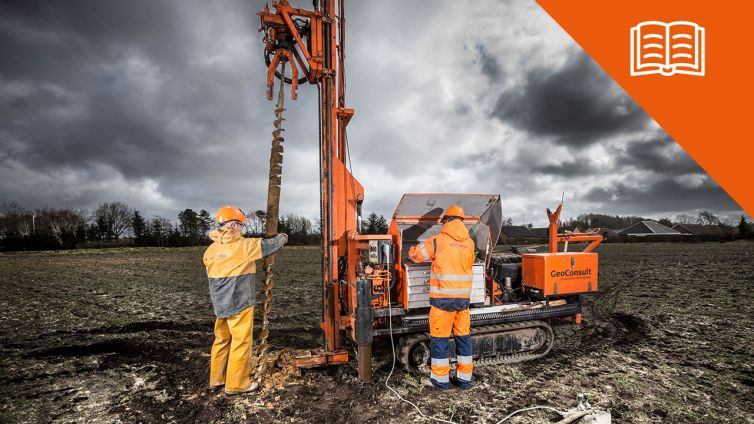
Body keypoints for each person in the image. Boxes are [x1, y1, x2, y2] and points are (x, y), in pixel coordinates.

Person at [203, 205, 287, 394]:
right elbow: (269, 246)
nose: (243, 229)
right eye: (240, 225)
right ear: (233, 225)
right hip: (239, 303)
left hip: (220, 304)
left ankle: (217, 379)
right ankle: (236, 384)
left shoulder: (210, 249)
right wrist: (283, 237)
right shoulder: (242, 246)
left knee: (222, 340)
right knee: (241, 342)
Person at [408, 205, 475, 390]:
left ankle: (440, 381)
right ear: (461, 221)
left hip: (442, 301)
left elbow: (416, 255)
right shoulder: (470, 243)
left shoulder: (438, 240)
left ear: (446, 221)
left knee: (440, 340)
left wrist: (410, 249)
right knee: (463, 339)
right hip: (463, 301)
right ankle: (465, 380)